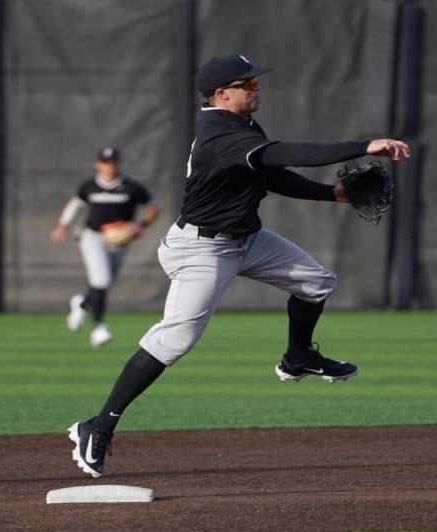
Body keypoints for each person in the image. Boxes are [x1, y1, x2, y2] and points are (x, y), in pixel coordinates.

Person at [68, 54, 410, 478]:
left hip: (245, 238)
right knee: (175, 340)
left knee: (317, 282)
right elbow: (288, 153)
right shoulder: (219, 134)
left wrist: (332, 194)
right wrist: (362, 146)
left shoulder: (242, 127)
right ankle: (97, 427)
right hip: (202, 250)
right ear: (222, 93)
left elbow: (271, 174)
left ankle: (297, 357)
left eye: (255, 82)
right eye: (247, 84)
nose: (256, 88)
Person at [50, 147, 159, 347]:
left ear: (119, 163)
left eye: (113, 162)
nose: (110, 166)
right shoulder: (90, 186)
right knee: (101, 280)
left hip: (119, 241)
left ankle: (82, 304)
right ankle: (99, 327)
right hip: (93, 236)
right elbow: (76, 205)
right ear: (98, 164)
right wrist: (62, 225)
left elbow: (152, 208)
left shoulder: (131, 187)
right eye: (106, 162)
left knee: (105, 282)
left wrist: (139, 225)